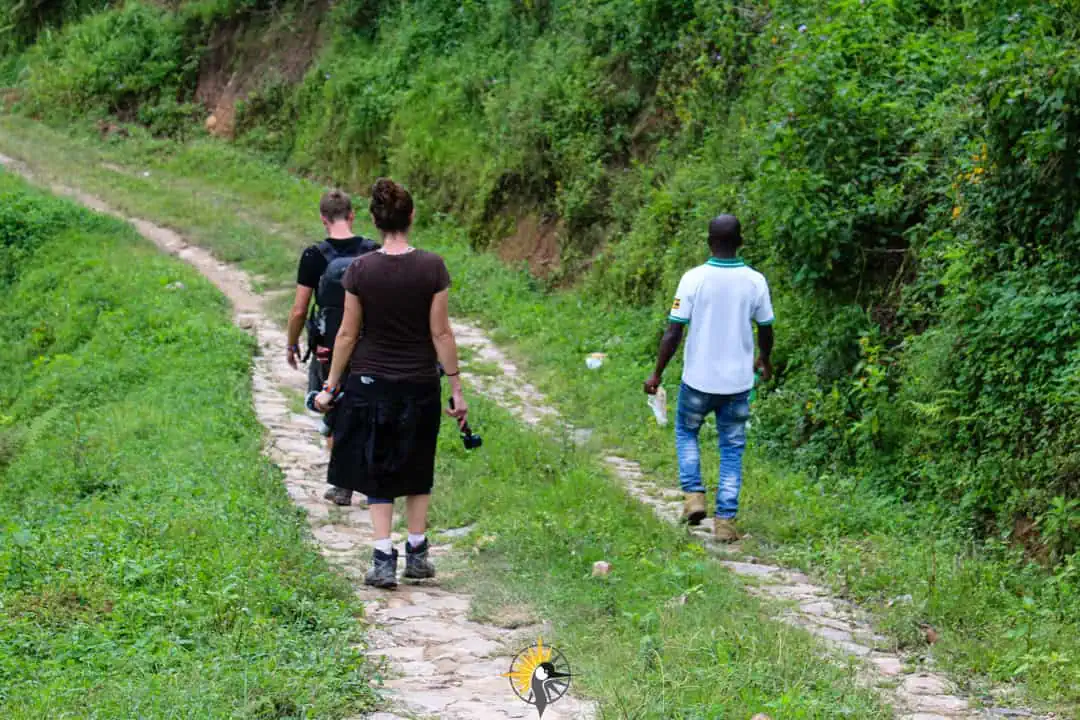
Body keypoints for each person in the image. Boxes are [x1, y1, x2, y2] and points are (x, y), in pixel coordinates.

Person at [314, 178, 468, 588]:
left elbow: (346, 334)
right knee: (418, 463)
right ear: (411, 217)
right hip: (419, 381)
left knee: (376, 466)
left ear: (375, 221)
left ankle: (383, 558)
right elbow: (441, 334)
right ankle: (417, 553)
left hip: (370, 382)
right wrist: (455, 387)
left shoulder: (361, 270)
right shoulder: (433, 267)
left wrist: (330, 387)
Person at [643, 215, 775, 542]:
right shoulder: (755, 281)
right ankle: (726, 523)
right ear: (741, 241)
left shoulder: (693, 279)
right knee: (732, 448)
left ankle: (694, 498)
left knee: (686, 432)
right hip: (738, 384)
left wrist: (657, 373)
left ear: (708, 242)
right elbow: (767, 329)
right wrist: (764, 359)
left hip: (698, 380)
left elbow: (674, 331)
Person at [285, 190, 379, 506]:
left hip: (328, 347)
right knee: (369, 407)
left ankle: (342, 485)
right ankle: (371, 480)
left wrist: (291, 343)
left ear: (323, 219)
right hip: (368, 344)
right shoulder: (372, 252)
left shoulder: (314, 255)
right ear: (352, 215)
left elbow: (299, 310)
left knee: (332, 406)